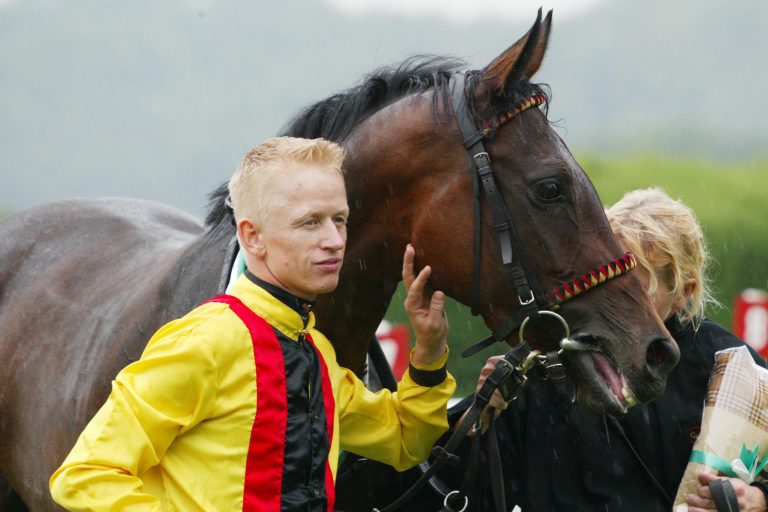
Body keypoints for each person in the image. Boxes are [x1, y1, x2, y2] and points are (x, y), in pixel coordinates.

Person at [49, 136, 456, 511]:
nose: (334, 239)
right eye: (310, 222)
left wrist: (429, 351)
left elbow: (405, 440)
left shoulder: (317, 352)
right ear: (253, 237)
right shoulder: (204, 341)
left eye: (340, 219)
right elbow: (85, 475)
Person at [454, 187, 766, 512]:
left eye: (636, 287)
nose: (616, 300)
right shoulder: (546, 360)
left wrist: (758, 499)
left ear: (684, 292)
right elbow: (471, 495)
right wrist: (481, 419)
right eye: (607, 279)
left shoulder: (733, 368)